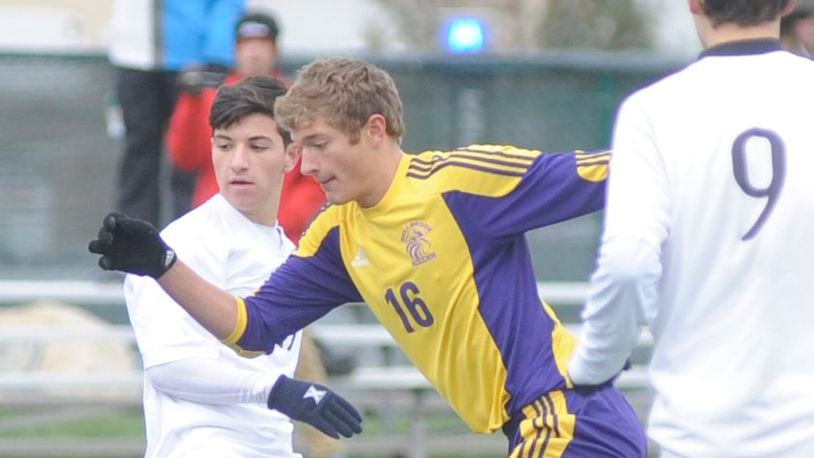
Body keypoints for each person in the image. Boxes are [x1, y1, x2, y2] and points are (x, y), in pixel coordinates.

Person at [90, 57, 647, 457]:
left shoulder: (456, 184)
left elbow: (616, 173)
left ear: (373, 130)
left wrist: (713, 147)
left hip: (566, 416)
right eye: (299, 148)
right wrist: (162, 264)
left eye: (318, 144)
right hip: (529, 426)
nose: (304, 165)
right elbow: (252, 328)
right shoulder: (338, 234)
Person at [567, 1, 814, 457]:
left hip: (698, 439)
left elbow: (627, 265)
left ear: (694, 3)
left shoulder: (652, 111)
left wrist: (593, 366)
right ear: (788, 4)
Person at [121, 76, 362, 457]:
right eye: (224, 145)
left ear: (291, 155)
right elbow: (169, 366)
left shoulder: (286, 249)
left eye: (257, 146)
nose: (237, 162)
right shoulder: (182, 245)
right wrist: (276, 390)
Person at [166, 10, 324, 243]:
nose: (254, 53)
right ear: (235, 49)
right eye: (246, 44)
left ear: (275, 49)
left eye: (262, 44)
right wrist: (190, 101)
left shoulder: (299, 102)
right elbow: (184, 158)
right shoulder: (210, 98)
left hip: (281, 232)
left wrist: (281, 218)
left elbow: (316, 173)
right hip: (216, 230)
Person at [108, 0, 245, 227]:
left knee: (190, 158)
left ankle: (193, 242)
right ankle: (134, 243)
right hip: (133, 59)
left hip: (192, 61)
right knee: (138, 157)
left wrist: (217, 53)